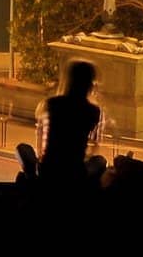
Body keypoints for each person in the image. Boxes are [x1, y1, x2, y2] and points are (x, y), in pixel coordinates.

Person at [37, 60, 102, 190]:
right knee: (100, 162)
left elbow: (41, 138)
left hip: (49, 169)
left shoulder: (52, 104)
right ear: (89, 84)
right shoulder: (92, 111)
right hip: (74, 172)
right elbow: (93, 144)